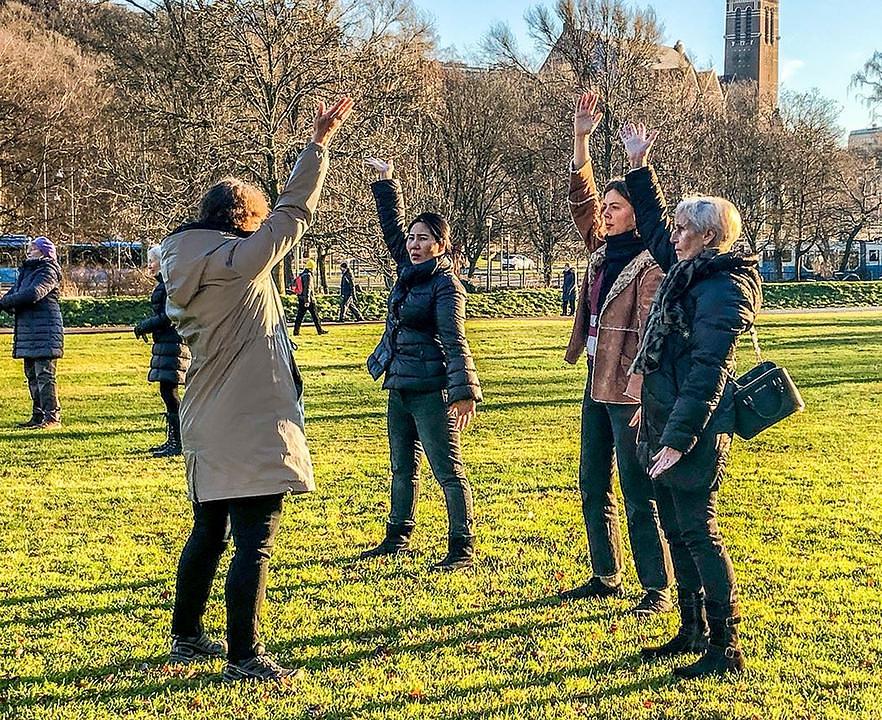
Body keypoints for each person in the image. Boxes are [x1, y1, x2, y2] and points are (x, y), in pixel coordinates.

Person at [159, 97, 353, 682]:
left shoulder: (182, 260)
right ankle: (244, 655)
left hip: (205, 416)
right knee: (255, 542)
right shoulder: (241, 261)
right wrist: (317, 145)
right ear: (244, 220)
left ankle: (187, 635)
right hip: (252, 418)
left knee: (209, 531)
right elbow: (293, 212)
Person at [621, 121, 762, 678]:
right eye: (677, 229)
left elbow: (707, 373)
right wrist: (639, 165)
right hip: (662, 420)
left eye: (684, 230)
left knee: (700, 532)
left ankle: (726, 647)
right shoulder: (687, 272)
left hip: (694, 430)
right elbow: (655, 228)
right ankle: (691, 629)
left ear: (707, 236)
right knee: (676, 531)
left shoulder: (725, 288)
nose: (674, 237)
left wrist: (678, 440)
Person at [559, 93, 673, 616]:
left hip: (628, 392)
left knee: (636, 488)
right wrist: (581, 138)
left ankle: (656, 586)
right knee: (591, 482)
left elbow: (652, 333)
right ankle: (605, 574)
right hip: (595, 384)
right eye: (605, 208)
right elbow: (580, 201)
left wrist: (640, 390)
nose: (605, 214)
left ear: (635, 214)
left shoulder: (651, 262)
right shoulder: (601, 251)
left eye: (616, 207)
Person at [359, 155, 482, 571]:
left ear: (440, 246)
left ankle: (462, 548)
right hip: (400, 385)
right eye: (412, 238)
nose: (413, 244)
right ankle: (397, 536)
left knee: (448, 471)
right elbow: (391, 229)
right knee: (401, 468)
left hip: (432, 391)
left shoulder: (446, 285)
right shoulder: (408, 272)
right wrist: (386, 181)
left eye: (423, 238)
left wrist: (464, 392)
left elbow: (454, 338)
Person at [0, 236, 64, 429]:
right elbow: (15, 294)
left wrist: (6, 302)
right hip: (29, 331)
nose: (28, 251)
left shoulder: (48, 270)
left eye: (33, 249)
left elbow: (34, 293)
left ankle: (52, 417)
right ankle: (38, 416)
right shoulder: (27, 272)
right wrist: (4, 302)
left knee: (44, 376)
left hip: (45, 331)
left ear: (44, 253)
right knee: (32, 376)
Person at [134, 245, 191, 458]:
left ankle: (178, 441)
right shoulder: (166, 283)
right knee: (167, 391)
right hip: (168, 342)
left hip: (173, 342)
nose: (149, 265)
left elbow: (169, 316)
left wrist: (145, 326)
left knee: (169, 391)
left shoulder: (168, 284)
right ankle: (174, 439)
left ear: (163, 261)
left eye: (152, 260)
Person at [292, 259, 327, 335]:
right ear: (312, 268)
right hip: (308, 299)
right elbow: (307, 289)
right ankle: (320, 330)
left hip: (301, 298)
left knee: (299, 316)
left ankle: (296, 331)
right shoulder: (308, 276)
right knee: (315, 315)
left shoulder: (302, 274)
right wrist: (307, 301)